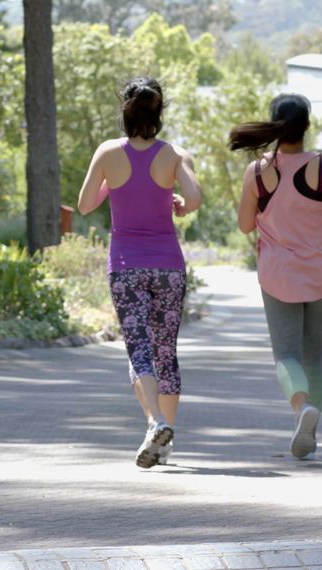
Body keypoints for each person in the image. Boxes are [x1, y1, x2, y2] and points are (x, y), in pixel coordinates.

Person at [77, 77, 203, 469]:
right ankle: (164, 444)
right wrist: (179, 202)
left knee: (139, 350)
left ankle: (155, 423)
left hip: (127, 267)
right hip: (168, 266)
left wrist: (111, 189)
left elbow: (83, 205)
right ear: (158, 111)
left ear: (125, 110)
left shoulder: (108, 152)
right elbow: (196, 198)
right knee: (166, 351)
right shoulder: (174, 155)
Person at [229, 93, 322, 460]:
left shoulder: (258, 171)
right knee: (314, 355)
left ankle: (301, 409)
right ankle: (311, 431)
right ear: (306, 127)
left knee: (286, 354)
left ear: (274, 125)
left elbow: (243, 225)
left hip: (278, 274)